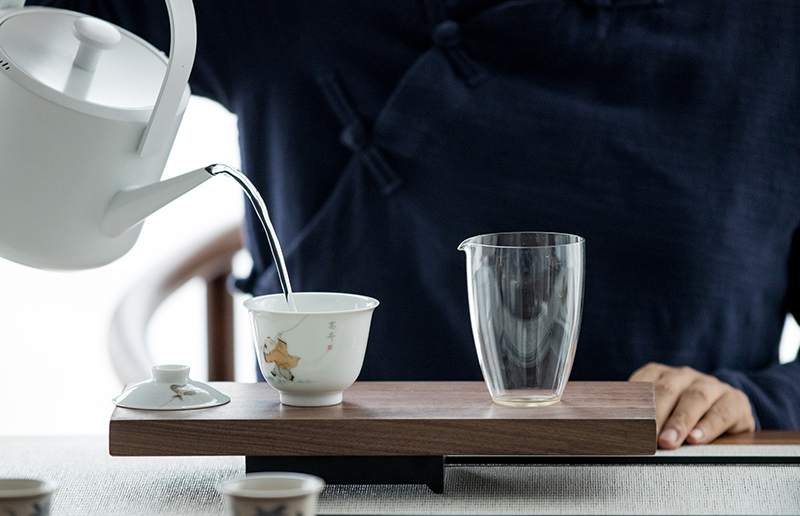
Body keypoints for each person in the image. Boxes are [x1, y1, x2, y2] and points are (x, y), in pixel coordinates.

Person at [38, 1, 800, 446]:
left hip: (677, 506)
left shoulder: (773, 37)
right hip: (340, 513)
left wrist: (754, 402)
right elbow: (60, 22)